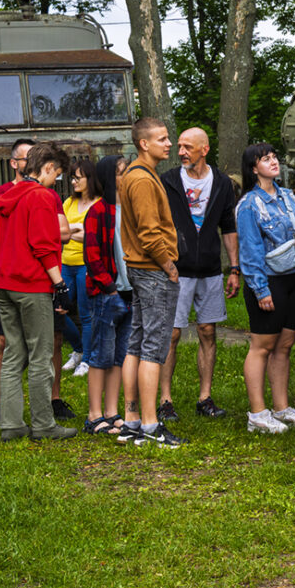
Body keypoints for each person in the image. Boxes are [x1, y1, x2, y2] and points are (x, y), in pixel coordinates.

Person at [0, 142, 77, 442]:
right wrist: (60, 284)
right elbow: (42, 245)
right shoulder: (41, 196)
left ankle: (11, 424)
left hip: (4, 283)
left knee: (14, 354)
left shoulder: (8, 196)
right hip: (31, 285)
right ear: (48, 167)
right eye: (57, 174)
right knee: (41, 356)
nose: (57, 180)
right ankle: (43, 424)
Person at [236, 142, 295, 435]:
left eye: (274, 157)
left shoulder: (289, 197)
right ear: (253, 168)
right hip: (268, 281)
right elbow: (250, 251)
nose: (273, 162)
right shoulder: (248, 205)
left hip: (293, 279)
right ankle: (258, 414)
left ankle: (282, 408)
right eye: (265, 159)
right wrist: (260, 290)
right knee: (263, 346)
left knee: (284, 345)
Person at [160, 127, 240, 420]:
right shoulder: (168, 181)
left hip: (209, 270)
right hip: (175, 271)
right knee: (171, 334)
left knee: (208, 331)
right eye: (179, 146)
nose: (181, 152)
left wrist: (234, 268)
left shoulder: (221, 183)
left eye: (187, 147)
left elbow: (228, 227)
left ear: (204, 150)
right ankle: (165, 400)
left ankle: (205, 397)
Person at [117, 117, 183, 448]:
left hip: (140, 269)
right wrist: (169, 266)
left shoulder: (135, 174)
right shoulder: (142, 179)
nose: (169, 144)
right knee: (153, 348)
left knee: (137, 343)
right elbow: (149, 232)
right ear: (144, 144)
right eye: (162, 139)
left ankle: (131, 422)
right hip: (153, 271)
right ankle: (149, 425)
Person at [81, 155, 133, 437]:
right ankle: (94, 415)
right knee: (101, 354)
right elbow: (92, 257)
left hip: (130, 292)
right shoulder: (98, 211)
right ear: (109, 178)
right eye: (123, 172)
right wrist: (109, 288)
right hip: (106, 293)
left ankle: (112, 412)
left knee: (118, 356)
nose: (128, 176)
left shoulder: (131, 208)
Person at [0, 137, 31, 425]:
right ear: (14, 163)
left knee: (50, 341)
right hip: (9, 274)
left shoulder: (45, 192)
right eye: (27, 158)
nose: (32, 163)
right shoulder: (0, 193)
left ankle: (51, 400)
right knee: (4, 341)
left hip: (38, 276)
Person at [59, 159, 99, 380]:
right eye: (72, 178)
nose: (73, 182)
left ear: (89, 179)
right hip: (65, 264)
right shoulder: (68, 202)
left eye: (77, 178)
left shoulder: (98, 204)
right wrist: (79, 229)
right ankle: (79, 349)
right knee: (58, 309)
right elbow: (58, 231)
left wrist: (69, 230)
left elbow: (92, 236)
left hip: (86, 264)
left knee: (85, 314)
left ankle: (87, 360)